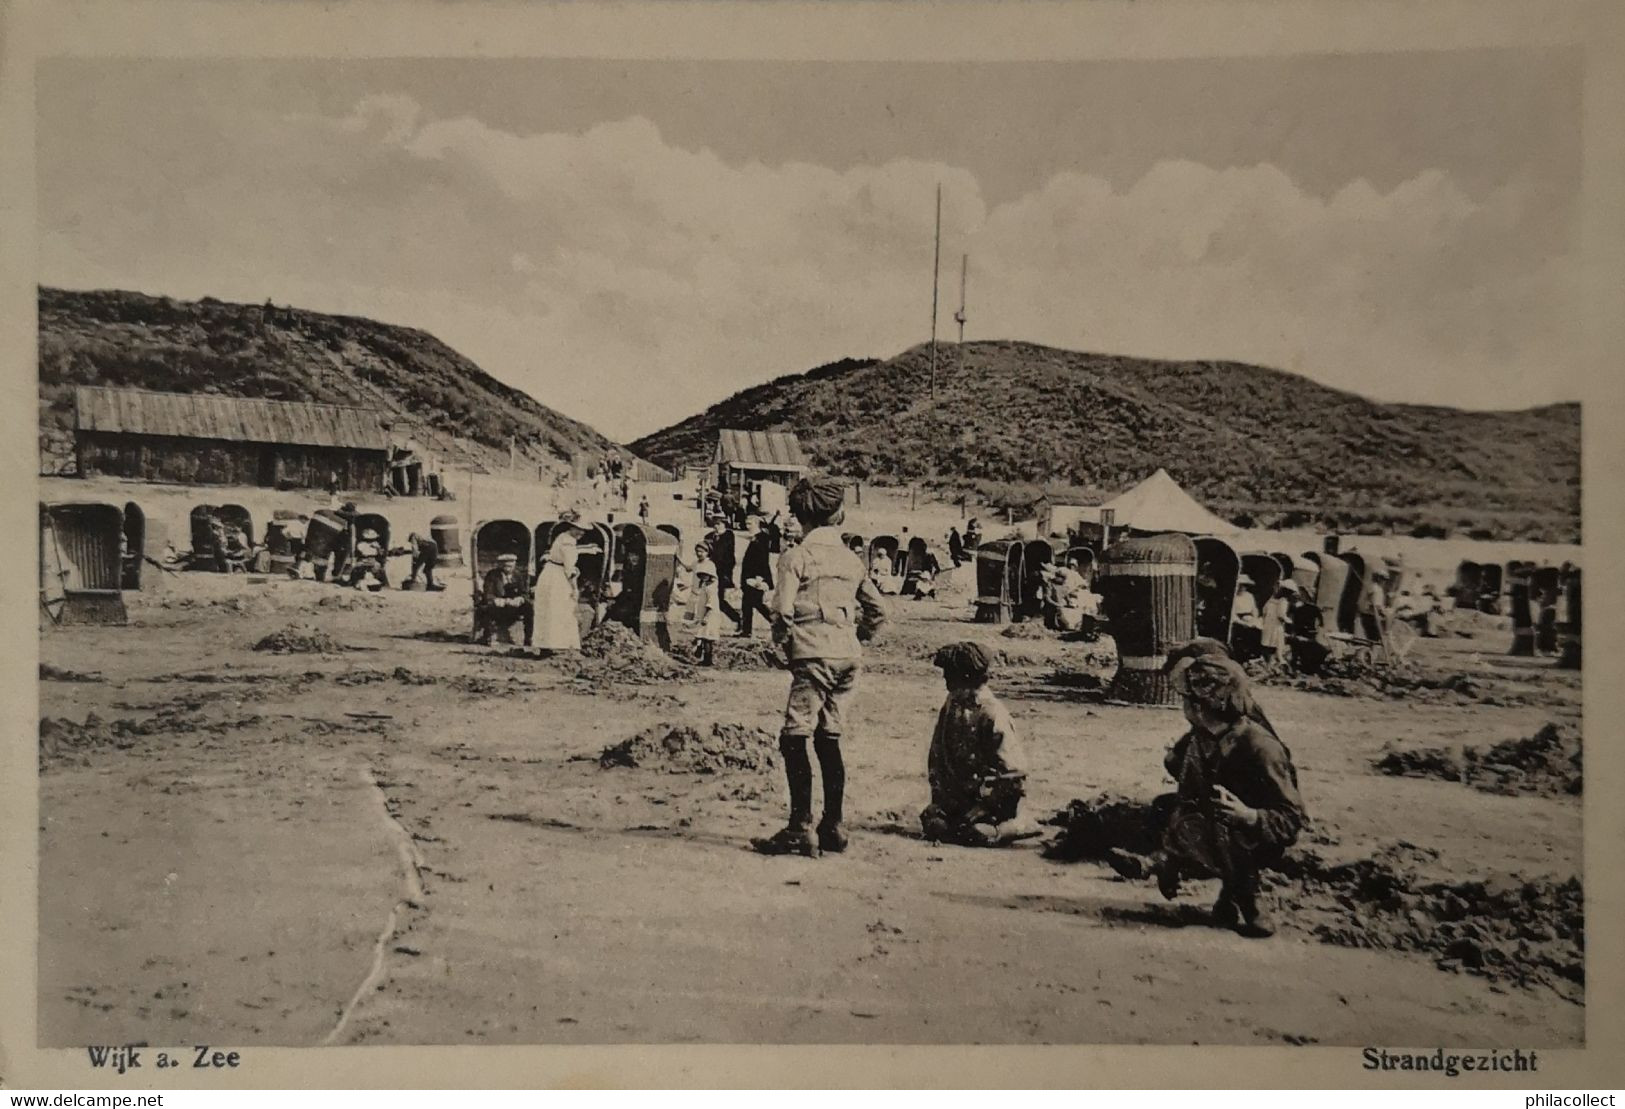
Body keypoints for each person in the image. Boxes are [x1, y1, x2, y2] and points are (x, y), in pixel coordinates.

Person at [1109, 653, 1306, 938]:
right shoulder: (1201, 737)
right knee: (1165, 807)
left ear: (1202, 707)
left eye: (1188, 699)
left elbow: (1291, 819)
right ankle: (1167, 865)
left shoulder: (1260, 747)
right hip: (1213, 820)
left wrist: (1250, 816)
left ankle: (1250, 902)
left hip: (1254, 836)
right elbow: (1182, 772)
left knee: (1219, 823)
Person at [754, 477, 888, 857]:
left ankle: (799, 827)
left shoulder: (795, 557)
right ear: (839, 515)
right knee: (829, 739)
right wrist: (855, 636)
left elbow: (781, 609)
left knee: (794, 737)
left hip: (812, 654)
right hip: (848, 657)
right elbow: (879, 611)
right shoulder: (851, 559)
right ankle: (834, 826)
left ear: (797, 517)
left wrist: (782, 643)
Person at [919, 642, 1037, 847]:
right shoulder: (952, 704)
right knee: (933, 822)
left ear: (965, 677)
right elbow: (937, 755)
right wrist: (942, 798)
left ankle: (1017, 826)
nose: (945, 679)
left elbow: (1014, 775)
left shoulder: (992, 714)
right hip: (960, 799)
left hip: (991, 803)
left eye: (949, 673)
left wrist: (983, 807)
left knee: (976, 834)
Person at [532, 531, 582, 652]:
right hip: (557, 578)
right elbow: (569, 570)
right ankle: (559, 645)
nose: (582, 533)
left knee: (549, 609)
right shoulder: (568, 543)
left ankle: (546, 644)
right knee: (561, 609)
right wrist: (575, 588)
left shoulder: (561, 537)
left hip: (548, 575)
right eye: (579, 529)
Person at [475, 552, 533, 647]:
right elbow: (488, 594)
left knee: (529, 607)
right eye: (505, 566)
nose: (508, 569)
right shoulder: (493, 575)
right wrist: (499, 600)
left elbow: (524, 592)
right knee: (487, 607)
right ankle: (490, 635)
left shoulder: (518, 575)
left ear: (514, 565)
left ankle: (528, 638)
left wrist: (520, 599)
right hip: (498, 606)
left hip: (513, 606)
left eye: (511, 566)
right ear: (500, 565)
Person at [738, 516, 776, 637]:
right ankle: (746, 631)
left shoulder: (762, 538)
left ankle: (776, 623)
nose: (747, 526)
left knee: (756, 604)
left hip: (755, 578)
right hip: (749, 577)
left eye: (749, 524)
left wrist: (760, 577)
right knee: (748, 604)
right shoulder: (755, 538)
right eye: (746, 523)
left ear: (756, 523)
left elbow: (762, 559)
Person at [705, 518, 742, 629]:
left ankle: (737, 618)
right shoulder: (709, 536)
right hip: (710, 571)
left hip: (722, 572)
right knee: (710, 597)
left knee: (719, 600)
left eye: (719, 524)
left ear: (724, 525)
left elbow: (724, 553)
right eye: (715, 524)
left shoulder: (728, 535)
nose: (716, 526)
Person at [691, 560, 721, 666]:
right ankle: (702, 654)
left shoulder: (711, 589)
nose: (703, 578)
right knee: (703, 636)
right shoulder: (705, 587)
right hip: (705, 614)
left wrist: (706, 617)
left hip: (709, 615)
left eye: (705, 575)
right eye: (702, 576)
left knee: (707, 638)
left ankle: (707, 659)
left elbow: (710, 604)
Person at [1259, 584, 1292, 662]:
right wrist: (1288, 621)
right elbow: (1281, 615)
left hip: (1268, 622)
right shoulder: (1283, 601)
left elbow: (1264, 611)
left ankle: (1266, 659)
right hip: (1276, 624)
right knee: (1275, 642)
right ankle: (1272, 660)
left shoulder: (1271, 600)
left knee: (1267, 641)